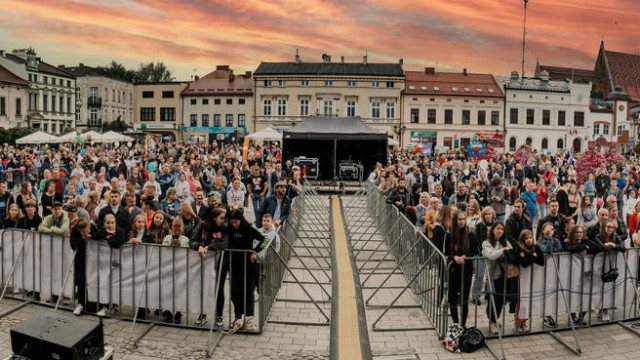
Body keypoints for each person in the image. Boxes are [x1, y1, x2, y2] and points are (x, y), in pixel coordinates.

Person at [222, 209, 269, 333]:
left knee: (248, 293)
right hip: (234, 265)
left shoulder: (248, 227)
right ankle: (238, 318)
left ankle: (249, 320)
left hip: (248, 265)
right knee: (234, 293)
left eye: (236, 222)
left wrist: (255, 252)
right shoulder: (229, 228)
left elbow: (264, 239)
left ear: (240, 220)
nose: (234, 225)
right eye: (232, 222)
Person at [191, 207, 229, 326]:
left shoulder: (224, 228)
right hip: (203, 263)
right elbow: (192, 241)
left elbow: (224, 243)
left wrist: (207, 247)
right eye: (221, 218)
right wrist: (199, 247)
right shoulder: (202, 226)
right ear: (214, 217)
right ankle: (202, 314)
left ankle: (219, 316)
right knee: (204, 287)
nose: (224, 220)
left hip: (220, 263)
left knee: (219, 288)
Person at [482, 222, 516, 335]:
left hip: (504, 275)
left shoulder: (506, 242)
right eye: (498, 228)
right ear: (493, 230)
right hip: (492, 276)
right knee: (493, 299)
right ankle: (492, 321)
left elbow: (512, 253)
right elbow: (491, 255)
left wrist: (505, 252)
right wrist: (502, 251)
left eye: (502, 229)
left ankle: (496, 318)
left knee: (501, 300)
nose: (500, 231)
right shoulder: (486, 243)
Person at [445, 210, 477, 328]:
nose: (462, 222)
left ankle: (462, 324)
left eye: (463, 219)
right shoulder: (449, 234)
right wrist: (455, 257)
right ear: (455, 221)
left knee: (464, 299)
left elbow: (475, 251)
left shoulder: (470, 234)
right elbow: (445, 253)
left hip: (466, 270)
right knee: (452, 298)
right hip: (453, 270)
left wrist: (465, 257)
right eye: (459, 219)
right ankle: (455, 323)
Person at [93, 213, 127, 316]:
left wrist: (109, 239)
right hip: (104, 263)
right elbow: (94, 237)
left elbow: (118, 244)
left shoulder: (120, 231)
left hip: (117, 262)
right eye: (108, 223)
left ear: (115, 223)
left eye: (112, 223)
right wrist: (105, 233)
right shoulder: (102, 230)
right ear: (104, 223)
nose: (110, 225)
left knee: (115, 285)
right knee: (103, 284)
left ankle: (115, 305)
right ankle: (105, 306)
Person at [512, 229, 544, 332]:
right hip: (522, 277)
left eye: (530, 238)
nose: (529, 240)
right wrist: (532, 256)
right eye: (526, 238)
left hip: (532, 278)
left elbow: (541, 261)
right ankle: (518, 322)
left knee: (528, 300)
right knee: (521, 301)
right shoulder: (519, 250)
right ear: (522, 240)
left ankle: (524, 322)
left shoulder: (536, 248)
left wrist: (528, 256)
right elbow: (524, 263)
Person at [160, 217, 190, 323]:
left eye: (179, 229)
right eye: (175, 229)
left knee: (180, 291)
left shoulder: (185, 239)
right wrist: (170, 245)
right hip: (168, 268)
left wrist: (180, 245)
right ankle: (167, 310)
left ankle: (179, 312)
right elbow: (163, 249)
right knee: (168, 289)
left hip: (180, 269)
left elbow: (188, 252)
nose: (177, 232)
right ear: (172, 228)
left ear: (182, 228)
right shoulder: (167, 237)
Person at [69, 219, 98, 315]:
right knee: (81, 281)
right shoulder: (74, 231)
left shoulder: (93, 227)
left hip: (92, 259)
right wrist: (82, 239)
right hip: (80, 259)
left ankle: (91, 304)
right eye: (83, 232)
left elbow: (100, 236)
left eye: (87, 231)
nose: (85, 233)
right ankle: (81, 304)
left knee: (92, 281)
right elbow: (73, 245)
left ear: (89, 227)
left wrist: (92, 236)